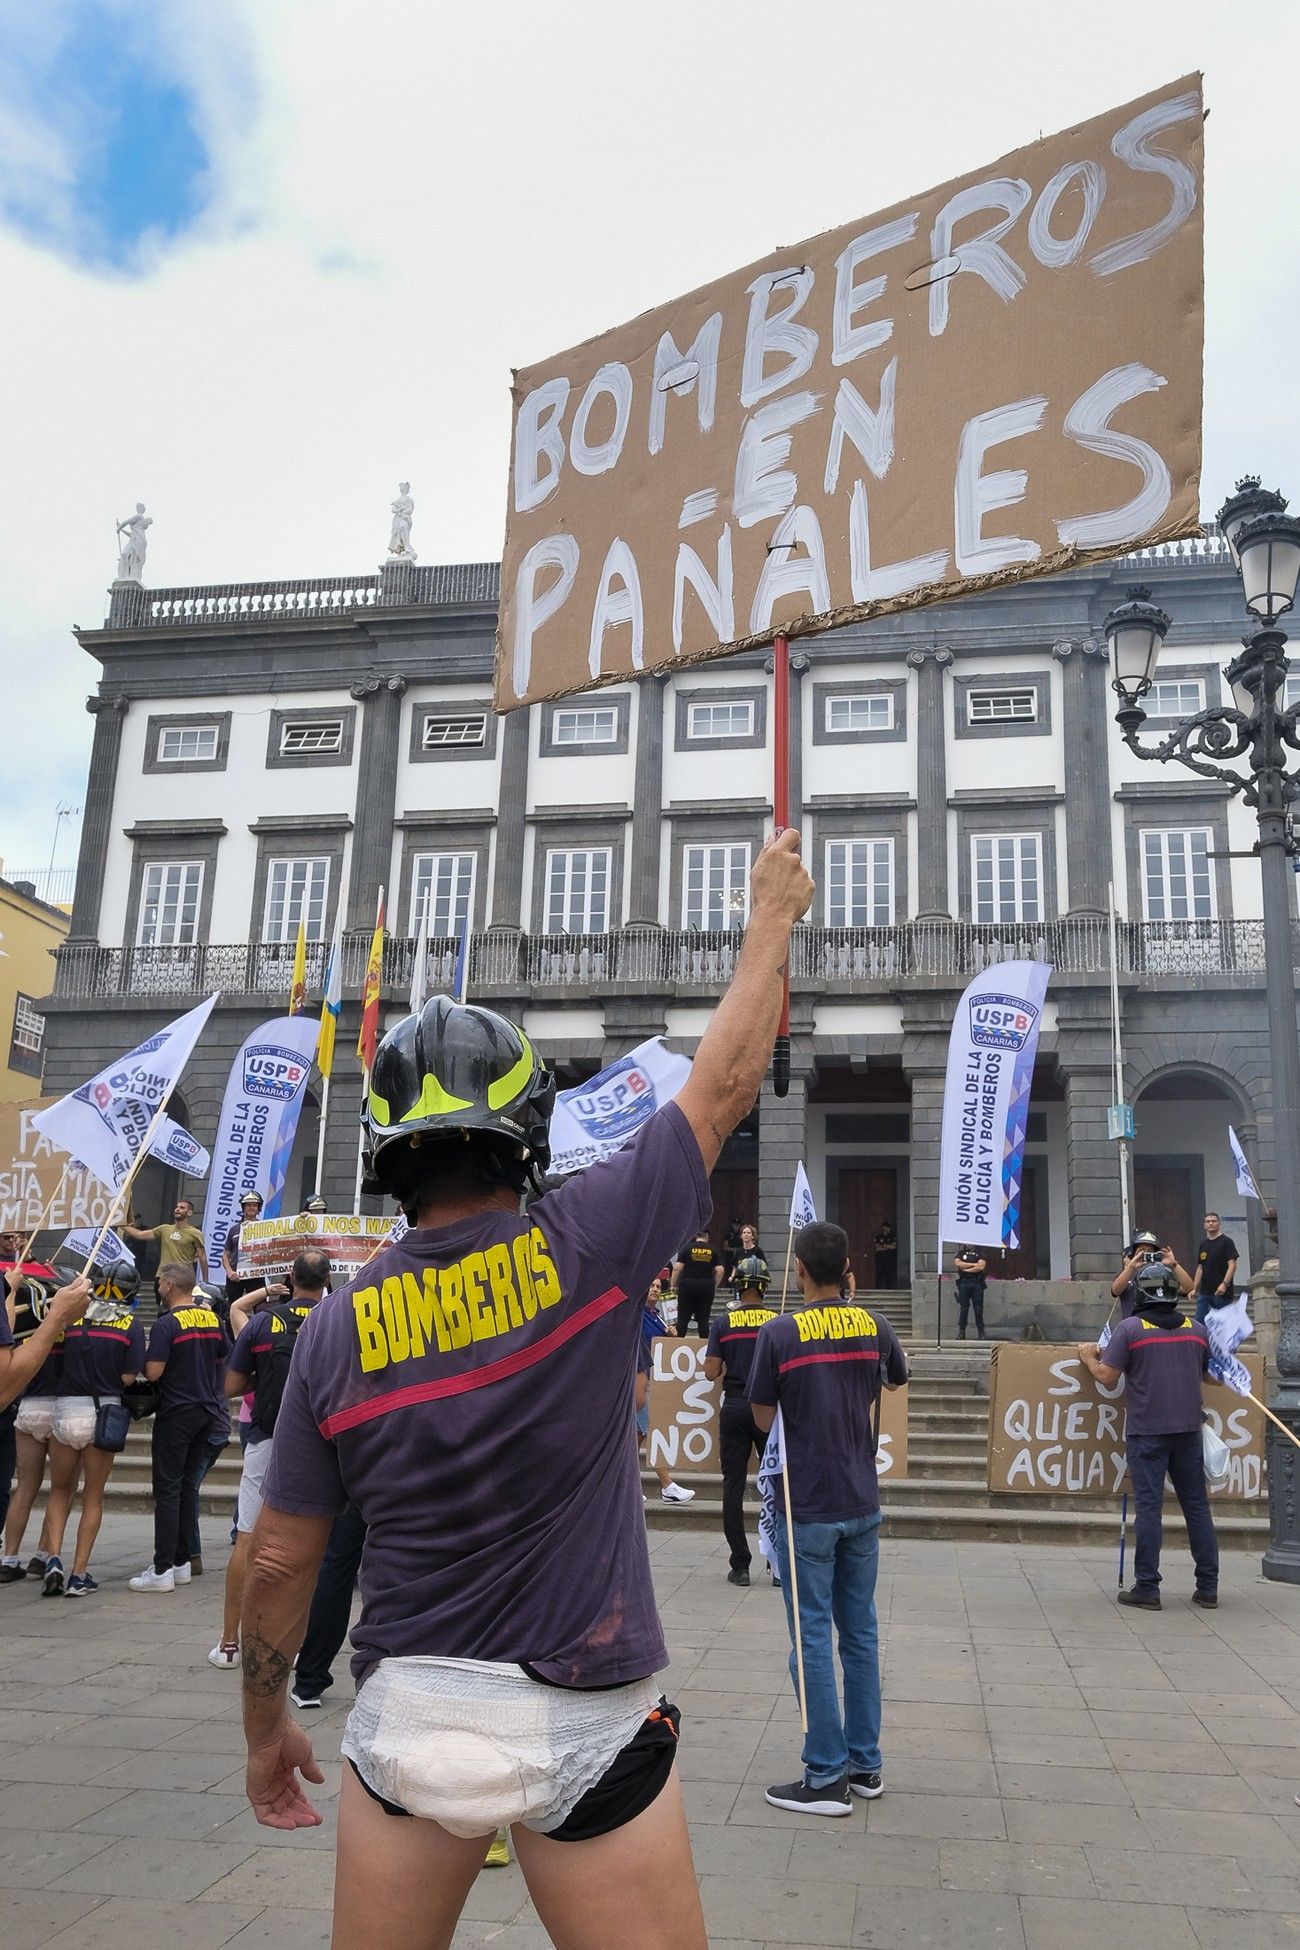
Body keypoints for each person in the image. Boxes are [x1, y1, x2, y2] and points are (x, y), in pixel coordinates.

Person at [236, 827, 812, 1950]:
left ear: (387, 1151)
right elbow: (727, 1082)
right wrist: (772, 917)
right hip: (588, 1712)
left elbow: (275, 1561)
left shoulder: (334, 1327)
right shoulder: (591, 1240)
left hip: (412, 1720)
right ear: (527, 1131)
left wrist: (265, 1727)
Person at [747, 1220, 909, 1818]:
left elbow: (761, 1415)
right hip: (861, 1499)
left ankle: (824, 1775)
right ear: (846, 1272)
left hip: (807, 1502)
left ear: (799, 1270)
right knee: (860, 1633)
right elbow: (896, 1376)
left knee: (811, 1636)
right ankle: (865, 1763)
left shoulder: (781, 1333)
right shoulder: (875, 1324)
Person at [210, 1249, 331, 1668]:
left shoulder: (263, 1322)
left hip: (265, 1438)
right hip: (321, 1442)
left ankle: (230, 1643)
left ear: (291, 1279)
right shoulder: (337, 1319)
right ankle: (294, 1646)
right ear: (326, 1281)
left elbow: (230, 1384)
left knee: (247, 1538)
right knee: (311, 1544)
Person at [1078, 1259, 1220, 1610]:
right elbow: (1213, 1378)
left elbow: (1107, 1377)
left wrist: (1086, 1357)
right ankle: (1208, 1587)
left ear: (1139, 1294)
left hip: (1147, 1433)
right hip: (1189, 1431)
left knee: (1149, 1509)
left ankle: (1147, 1587)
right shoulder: (1196, 1329)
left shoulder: (1131, 1329)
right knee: (1198, 1509)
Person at [40, 1274, 146, 1595]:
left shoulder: (71, 1321)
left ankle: (53, 1558)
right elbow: (129, 1378)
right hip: (103, 1414)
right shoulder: (131, 1326)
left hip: (66, 1410)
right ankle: (78, 1574)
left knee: (59, 1491)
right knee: (92, 1496)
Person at [129, 1264, 226, 1592]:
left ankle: (162, 1569)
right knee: (185, 1488)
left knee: (168, 1490)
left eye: (159, 1282)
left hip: (177, 1411)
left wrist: (139, 1360)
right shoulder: (211, 1318)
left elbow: (154, 1372)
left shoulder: (167, 1324)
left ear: (170, 1285)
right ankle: (182, 1562)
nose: (157, 1286)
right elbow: (222, 1355)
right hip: (207, 1410)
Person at [0, 1257, 88, 1578]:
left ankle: (9, 1558)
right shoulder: (78, 1326)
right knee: (63, 1487)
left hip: (29, 1405)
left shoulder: (26, 1321)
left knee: (25, 1486)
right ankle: (43, 1554)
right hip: (65, 1406)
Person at [704, 1252, 777, 1586]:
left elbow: (710, 1372)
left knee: (733, 1485)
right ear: (764, 1287)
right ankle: (778, 1566)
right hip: (769, 1410)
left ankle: (741, 1565)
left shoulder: (722, 1323)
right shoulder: (778, 1323)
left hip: (734, 1406)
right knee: (776, 1485)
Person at [636, 1275, 694, 1505]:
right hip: (643, 1379)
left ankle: (656, 1485)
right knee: (645, 1431)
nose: (656, 1289)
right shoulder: (639, 1315)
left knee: (640, 1434)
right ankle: (667, 1485)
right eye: (651, 1285)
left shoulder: (656, 1316)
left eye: (659, 1286)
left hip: (651, 1380)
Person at [122, 1195, 210, 1288]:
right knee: (160, 1302)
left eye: (182, 1208)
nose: (177, 1209)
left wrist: (205, 1281)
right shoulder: (164, 1229)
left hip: (182, 1277)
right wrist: (120, 1223)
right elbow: (139, 1235)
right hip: (162, 1276)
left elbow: (202, 1258)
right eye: (177, 1207)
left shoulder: (195, 1233)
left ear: (189, 1212)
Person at [1111, 1232, 1193, 1319]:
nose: (1145, 1254)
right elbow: (1115, 1291)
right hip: (1134, 1325)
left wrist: (1174, 1265)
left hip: (1158, 1325)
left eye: (1150, 1251)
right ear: (1133, 1253)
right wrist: (1131, 1267)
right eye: (1141, 1251)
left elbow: (1188, 1288)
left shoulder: (1163, 1273)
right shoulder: (1127, 1274)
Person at [672, 1229, 722, 1337]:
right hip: (706, 1286)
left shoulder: (687, 1248)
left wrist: (673, 1285)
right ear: (707, 1237)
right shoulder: (712, 1250)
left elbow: (677, 1269)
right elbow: (720, 1270)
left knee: (683, 1319)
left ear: (695, 1236)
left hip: (687, 1285)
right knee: (703, 1320)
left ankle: (678, 1345)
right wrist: (714, 1285)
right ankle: (704, 1347)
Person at [1191, 1212, 1240, 1323]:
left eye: (1214, 1221)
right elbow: (1200, 1268)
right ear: (1204, 1225)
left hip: (1222, 1294)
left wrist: (1224, 1284)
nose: (1211, 1223)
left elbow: (1232, 1265)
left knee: (1224, 1326)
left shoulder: (1227, 1242)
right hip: (1204, 1294)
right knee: (1199, 1324)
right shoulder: (1203, 1244)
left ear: (1219, 1223)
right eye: (1208, 1221)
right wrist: (1194, 1288)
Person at [223, 1191, 265, 1309]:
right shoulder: (234, 1229)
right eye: (248, 1205)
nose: (252, 1207)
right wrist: (229, 1271)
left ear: (258, 1208)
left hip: (256, 1275)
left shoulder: (266, 1228)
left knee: (260, 1309)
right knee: (232, 1309)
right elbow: (226, 1254)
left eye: (255, 1205)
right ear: (243, 1207)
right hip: (236, 1276)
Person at [953, 1246, 988, 1340]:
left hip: (977, 1283)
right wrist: (973, 1265)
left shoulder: (980, 1253)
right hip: (964, 1282)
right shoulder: (961, 1253)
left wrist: (966, 1268)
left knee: (978, 1308)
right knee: (964, 1308)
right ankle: (961, 1332)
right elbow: (958, 1264)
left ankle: (981, 1332)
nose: (968, 1244)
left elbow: (981, 1266)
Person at [873, 1221, 897, 1290]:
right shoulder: (879, 1237)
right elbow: (877, 1248)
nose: (886, 1229)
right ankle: (877, 1289)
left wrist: (883, 1245)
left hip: (889, 1259)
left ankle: (889, 1289)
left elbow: (893, 1246)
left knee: (888, 1275)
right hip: (880, 1259)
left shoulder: (892, 1237)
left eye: (888, 1227)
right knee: (879, 1274)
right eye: (885, 1227)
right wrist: (887, 1247)